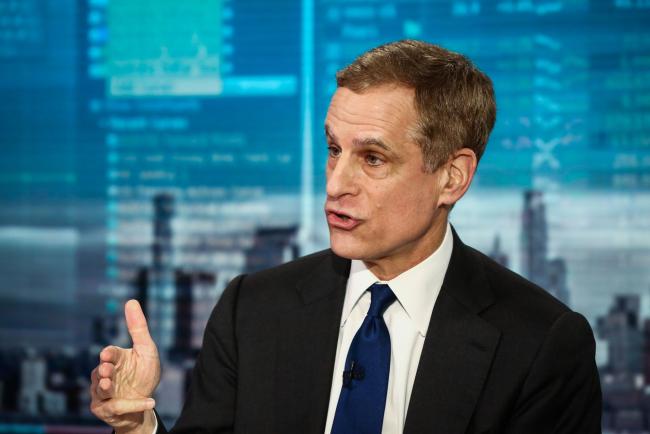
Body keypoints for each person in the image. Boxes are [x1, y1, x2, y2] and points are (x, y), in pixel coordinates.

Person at [90, 40, 602, 434]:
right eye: (334, 150)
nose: (336, 184)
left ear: (451, 177)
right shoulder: (253, 309)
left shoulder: (542, 344)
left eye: (373, 158)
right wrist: (138, 427)